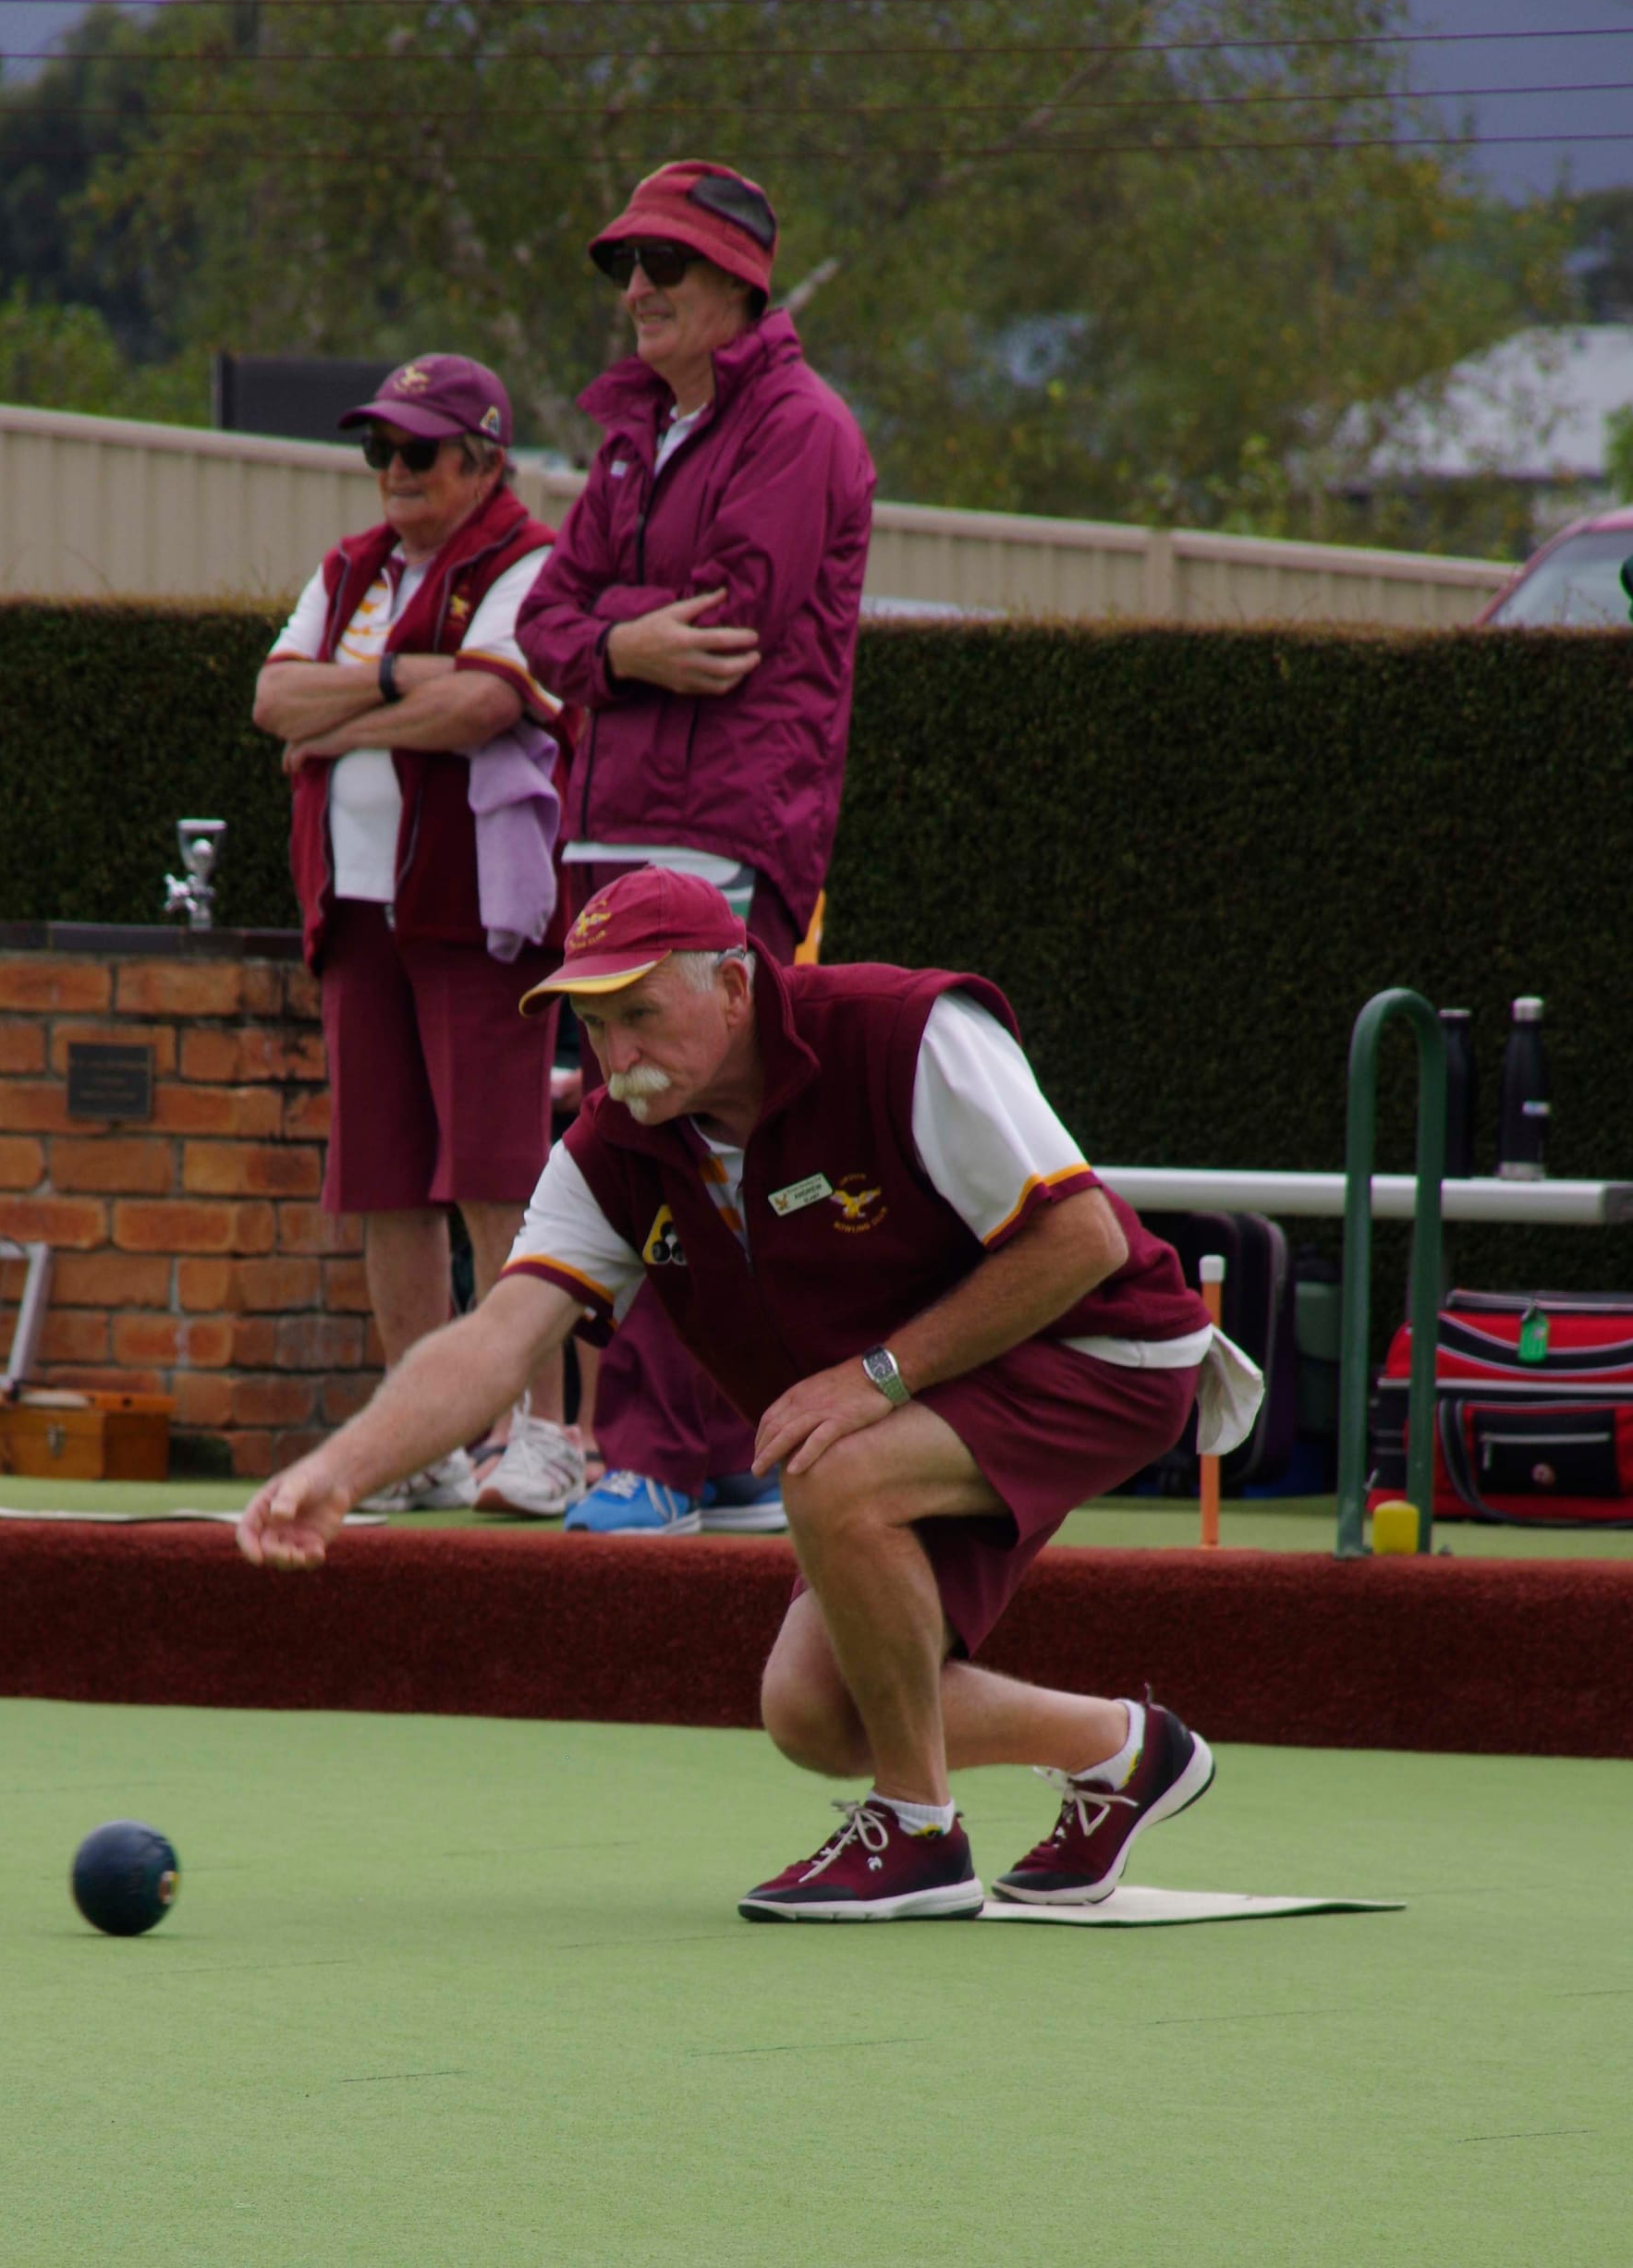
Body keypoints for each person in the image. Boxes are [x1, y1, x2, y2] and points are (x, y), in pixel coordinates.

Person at [238, 868, 1263, 1922]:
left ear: (734, 987)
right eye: (594, 1026)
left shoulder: (903, 1032)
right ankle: (1125, 1753)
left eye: (639, 1012)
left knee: (833, 1468)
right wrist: (337, 1471)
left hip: (1104, 1347)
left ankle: (918, 1832)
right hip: (923, 1393)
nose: (617, 1055)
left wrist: (878, 1377)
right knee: (810, 1712)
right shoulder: (611, 1153)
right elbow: (496, 1342)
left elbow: (1082, 1239)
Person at [516, 158, 876, 1538]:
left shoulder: (803, 428)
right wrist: (618, 638)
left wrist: (608, 632)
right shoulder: (629, 437)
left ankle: (657, 1452)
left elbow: (730, 626)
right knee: (661, 1131)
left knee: (672, 1125)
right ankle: (718, 1446)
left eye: (665, 263)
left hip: (730, 831)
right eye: (625, 267)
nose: (640, 289)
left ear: (742, 284)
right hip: (605, 833)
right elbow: (547, 621)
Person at [254, 354, 584, 1520]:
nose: (392, 472)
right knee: (385, 1182)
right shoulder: (348, 569)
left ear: (483, 460)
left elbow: (486, 703)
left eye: (418, 451)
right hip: (349, 914)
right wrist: (400, 677)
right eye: (378, 450)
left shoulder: (526, 561)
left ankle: (540, 1432)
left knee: (499, 1178)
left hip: (472, 919)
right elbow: (272, 700)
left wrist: (347, 708)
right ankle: (419, 1440)